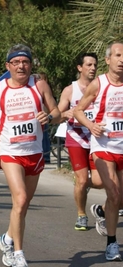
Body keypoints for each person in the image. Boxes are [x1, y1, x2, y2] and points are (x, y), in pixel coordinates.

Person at [0, 44, 60, 267]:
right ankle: (18, 253)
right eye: (16, 62)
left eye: (25, 62)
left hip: (34, 152)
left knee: (22, 205)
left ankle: (7, 238)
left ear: (31, 65)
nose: (21, 66)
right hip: (10, 152)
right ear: (8, 66)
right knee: (20, 199)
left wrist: (49, 118)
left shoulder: (39, 85)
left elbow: (57, 112)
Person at [74, 42, 123, 262]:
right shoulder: (99, 84)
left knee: (119, 198)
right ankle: (112, 244)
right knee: (114, 193)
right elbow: (78, 110)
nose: (122, 60)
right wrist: (91, 126)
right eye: (118, 55)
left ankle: (102, 212)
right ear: (108, 60)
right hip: (103, 146)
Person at [57, 53, 106, 234]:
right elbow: (57, 114)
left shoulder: (101, 87)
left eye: (95, 65)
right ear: (80, 68)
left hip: (96, 139)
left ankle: (82, 187)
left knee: (100, 181)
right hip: (76, 138)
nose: (92, 68)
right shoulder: (70, 90)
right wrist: (65, 114)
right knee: (83, 178)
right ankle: (81, 214)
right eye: (88, 65)